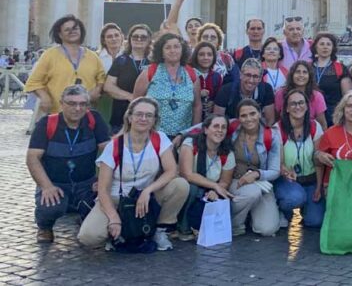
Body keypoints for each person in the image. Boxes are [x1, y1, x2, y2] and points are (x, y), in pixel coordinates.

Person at [77, 97, 189, 251]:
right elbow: (103, 189)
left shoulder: (159, 139)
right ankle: (115, 233)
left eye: (149, 115)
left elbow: (171, 171)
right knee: (89, 237)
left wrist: (148, 190)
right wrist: (113, 218)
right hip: (116, 199)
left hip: (145, 198)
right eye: (139, 114)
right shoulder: (114, 145)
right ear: (129, 117)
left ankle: (159, 230)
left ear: (154, 120)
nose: (143, 119)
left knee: (180, 185)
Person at [28, 85, 112, 243]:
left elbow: (109, 152)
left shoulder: (94, 119)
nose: (77, 108)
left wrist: (102, 181)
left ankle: (84, 219)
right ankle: (45, 227)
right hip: (56, 183)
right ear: (62, 104)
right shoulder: (46, 123)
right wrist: (46, 186)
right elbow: (32, 158)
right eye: (72, 103)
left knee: (102, 203)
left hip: (86, 183)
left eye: (82, 104)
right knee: (50, 206)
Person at [25, 15, 106, 117]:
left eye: (75, 28)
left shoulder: (93, 56)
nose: (72, 31)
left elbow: (101, 78)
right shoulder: (49, 55)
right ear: (60, 34)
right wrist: (44, 96)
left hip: (86, 113)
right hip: (57, 113)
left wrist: (97, 90)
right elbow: (33, 82)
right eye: (67, 29)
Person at [132, 33, 201, 145]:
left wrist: (192, 133)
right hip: (152, 136)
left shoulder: (192, 74)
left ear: (182, 50)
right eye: (168, 47)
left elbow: (197, 106)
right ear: (161, 52)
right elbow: (135, 103)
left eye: (176, 47)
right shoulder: (150, 72)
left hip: (182, 138)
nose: (172, 50)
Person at [228, 99, 281, 237]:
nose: (248, 119)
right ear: (238, 118)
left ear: (259, 114)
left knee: (267, 229)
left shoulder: (271, 135)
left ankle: (250, 213)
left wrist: (257, 174)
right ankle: (236, 225)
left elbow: (275, 171)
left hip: (260, 182)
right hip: (236, 179)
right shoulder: (232, 127)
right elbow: (205, 126)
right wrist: (182, 135)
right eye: (243, 115)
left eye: (252, 114)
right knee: (252, 193)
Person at [274, 89, 326, 229]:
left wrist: (319, 187)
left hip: (310, 180)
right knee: (295, 198)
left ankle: (301, 210)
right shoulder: (278, 128)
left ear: (307, 106)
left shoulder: (315, 126)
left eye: (301, 103)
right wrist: (286, 172)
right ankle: (284, 210)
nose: (298, 107)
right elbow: (279, 163)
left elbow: (318, 161)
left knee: (315, 221)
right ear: (286, 108)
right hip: (287, 181)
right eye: (293, 104)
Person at [177, 113, 235, 237]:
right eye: (216, 126)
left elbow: (225, 181)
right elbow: (187, 174)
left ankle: (202, 227)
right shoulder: (191, 144)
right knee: (191, 189)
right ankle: (182, 225)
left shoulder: (228, 152)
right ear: (206, 129)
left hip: (209, 189)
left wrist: (216, 191)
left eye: (223, 127)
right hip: (190, 186)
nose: (220, 130)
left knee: (222, 198)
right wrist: (215, 186)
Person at [104, 24, 151, 133]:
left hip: (147, 118)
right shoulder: (120, 60)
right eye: (135, 36)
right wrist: (131, 97)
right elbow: (108, 86)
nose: (139, 39)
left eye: (143, 37)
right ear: (129, 39)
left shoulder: (155, 62)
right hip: (121, 118)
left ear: (149, 40)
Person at [309, 32, 352, 123]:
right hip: (311, 114)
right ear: (316, 47)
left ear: (333, 48)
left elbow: (347, 95)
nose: (325, 47)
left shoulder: (340, 68)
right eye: (322, 44)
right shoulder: (307, 68)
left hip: (333, 115)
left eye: (328, 44)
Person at [273, 60, 327, 128]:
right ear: (292, 75)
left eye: (305, 72)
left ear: (309, 76)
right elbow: (277, 119)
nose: (301, 75)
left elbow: (322, 124)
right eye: (298, 72)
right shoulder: (280, 94)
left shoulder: (317, 96)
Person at [189, 42, 224, 119]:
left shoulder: (217, 77)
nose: (206, 57)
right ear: (196, 56)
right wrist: (197, 95)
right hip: (190, 117)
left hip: (209, 119)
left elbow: (219, 98)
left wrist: (213, 103)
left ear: (214, 57)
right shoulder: (189, 74)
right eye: (201, 54)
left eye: (209, 54)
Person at [229, 18, 266, 82]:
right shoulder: (238, 54)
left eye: (259, 29)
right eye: (252, 28)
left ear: (263, 31)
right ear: (247, 31)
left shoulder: (270, 53)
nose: (256, 31)